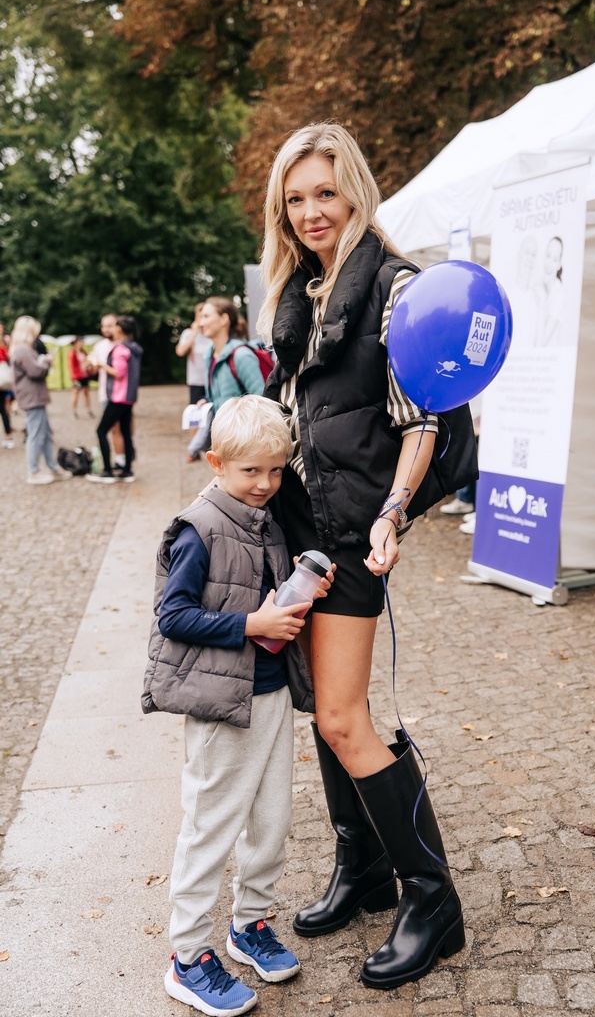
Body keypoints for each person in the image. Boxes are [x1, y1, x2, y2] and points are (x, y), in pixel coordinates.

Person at [258, 122, 465, 990]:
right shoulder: (300, 292)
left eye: (325, 192)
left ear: (354, 190)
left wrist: (390, 514)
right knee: (322, 711)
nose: (311, 211)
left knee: (345, 717)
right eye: (295, 198)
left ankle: (432, 899)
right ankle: (365, 869)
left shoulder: (394, 285)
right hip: (299, 527)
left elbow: (421, 418)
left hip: (352, 531)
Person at [142, 395, 333, 1017]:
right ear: (216, 463)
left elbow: (268, 597)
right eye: (251, 471)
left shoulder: (267, 519)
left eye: (276, 470)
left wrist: (301, 588)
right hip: (221, 703)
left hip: (272, 693)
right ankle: (188, 955)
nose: (266, 483)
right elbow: (173, 617)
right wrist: (253, 623)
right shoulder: (198, 528)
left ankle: (249, 925)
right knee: (211, 827)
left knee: (271, 820)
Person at [186, 298, 264, 464]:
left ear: (224, 319)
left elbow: (262, 403)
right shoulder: (209, 355)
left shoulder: (241, 355)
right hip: (223, 441)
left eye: (206, 316)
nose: (201, 323)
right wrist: (207, 401)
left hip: (244, 445)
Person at [9, 316, 73, 485]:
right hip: (32, 398)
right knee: (36, 435)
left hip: (34, 397)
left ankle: (53, 467)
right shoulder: (23, 350)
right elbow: (36, 371)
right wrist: (46, 361)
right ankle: (33, 471)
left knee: (45, 434)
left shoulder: (22, 349)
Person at [86, 315, 142, 484]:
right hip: (129, 398)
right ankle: (127, 471)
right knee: (125, 432)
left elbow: (118, 373)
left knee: (101, 431)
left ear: (120, 329)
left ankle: (107, 471)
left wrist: (102, 364)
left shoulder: (120, 349)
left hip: (117, 397)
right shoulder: (134, 347)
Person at [176, 303, 210, 404]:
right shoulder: (188, 333)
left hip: (211, 381)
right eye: (200, 316)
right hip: (196, 381)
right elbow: (180, 351)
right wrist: (194, 334)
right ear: (196, 317)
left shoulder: (212, 333)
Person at [534, 235, 565, 347]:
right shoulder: (538, 284)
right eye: (548, 256)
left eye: (555, 259)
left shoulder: (559, 294)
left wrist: (542, 299)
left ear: (559, 265)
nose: (549, 263)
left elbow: (540, 344)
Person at [68, 336, 95, 418]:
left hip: (85, 375)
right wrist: (74, 378)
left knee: (86, 393)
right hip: (77, 376)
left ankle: (88, 410)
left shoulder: (83, 352)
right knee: (76, 394)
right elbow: (72, 367)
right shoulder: (73, 354)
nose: (82, 344)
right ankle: (73, 411)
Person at [0, 322, 15, 448]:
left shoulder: (4, 344)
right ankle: (8, 435)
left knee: (3, 408)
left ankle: (8, 435)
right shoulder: (5, 344)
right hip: (3, 380)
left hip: (2, 380)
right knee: (3, 408)